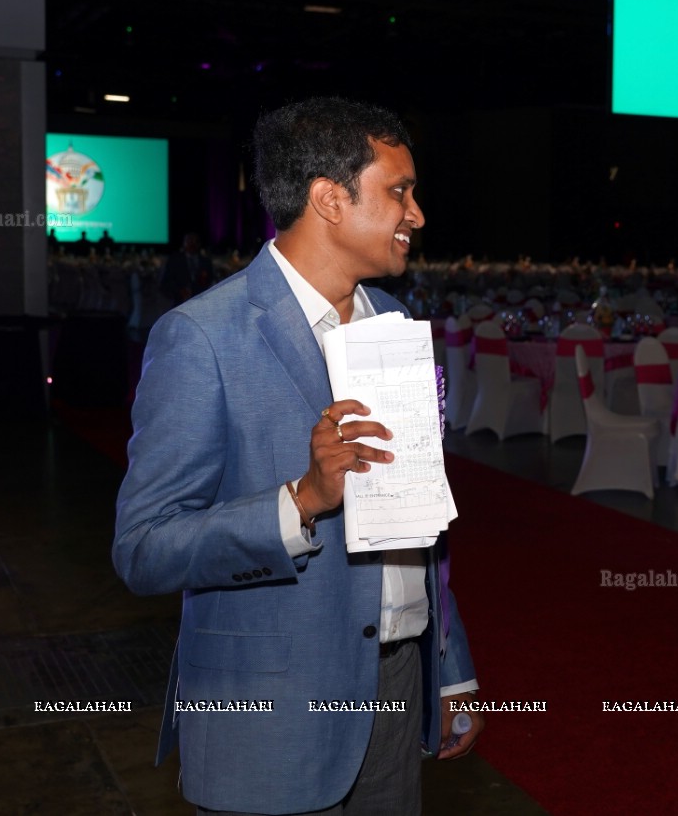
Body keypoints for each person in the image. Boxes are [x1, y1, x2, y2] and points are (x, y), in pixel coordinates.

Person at [114, 97, 482, 816]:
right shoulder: (202, 337)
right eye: (398, 191)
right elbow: (144, 548)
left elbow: (419, 520)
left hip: (397, 684)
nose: (417, 214)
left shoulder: (396, 324)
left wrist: (449, 667)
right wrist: (302, 501)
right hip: (268, 705)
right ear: (328, 200)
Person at [158, 231, 212, 305]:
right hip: (179, 304)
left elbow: (211, 282)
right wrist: (179, 292)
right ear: (184, 242)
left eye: (194, 241)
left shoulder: (206, 262)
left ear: (199, 243)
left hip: (201, 304)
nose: (191, 243)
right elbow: (165, 283)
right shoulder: (174, 260)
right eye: (189, 240)